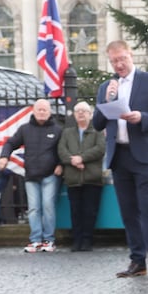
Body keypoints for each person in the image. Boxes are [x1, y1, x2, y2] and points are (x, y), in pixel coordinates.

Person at [91, 40, 148, 281]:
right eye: (114, 61)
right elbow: (97, 124)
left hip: (144, 156)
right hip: (119, 155)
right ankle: (137, 261)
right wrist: (105, 101)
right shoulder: (107, 86)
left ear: (130, 55)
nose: (119, 65)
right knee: (128, 212)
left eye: (122, 59)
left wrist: (142, 117)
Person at [0, 99, 62, 253]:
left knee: (48, 206)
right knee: (33, 208)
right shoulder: (24, 129)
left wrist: (61, 164)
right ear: (33, 111)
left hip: (50, 175)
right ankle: (35, 240)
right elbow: (10, 143)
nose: (42, 112)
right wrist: (4, 156)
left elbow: (63, 149)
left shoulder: (58, 130)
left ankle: (49, 240)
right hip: (31, 175)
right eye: (39, 109)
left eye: (44, 110)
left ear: (49, 112)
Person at [58, 101, 106, 252]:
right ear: (74, 114)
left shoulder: (98, 131)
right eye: (78, 111)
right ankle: (76, 240)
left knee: (90, 211)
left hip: (92, 178)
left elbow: (100, 149)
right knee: (75, 211)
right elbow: (61, 150)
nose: (80, 113)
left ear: (90, 115)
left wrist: (81, 158)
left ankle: (87, 240)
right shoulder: (67, 132)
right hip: (73, 178)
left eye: (84, 111)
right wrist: (73, 160)